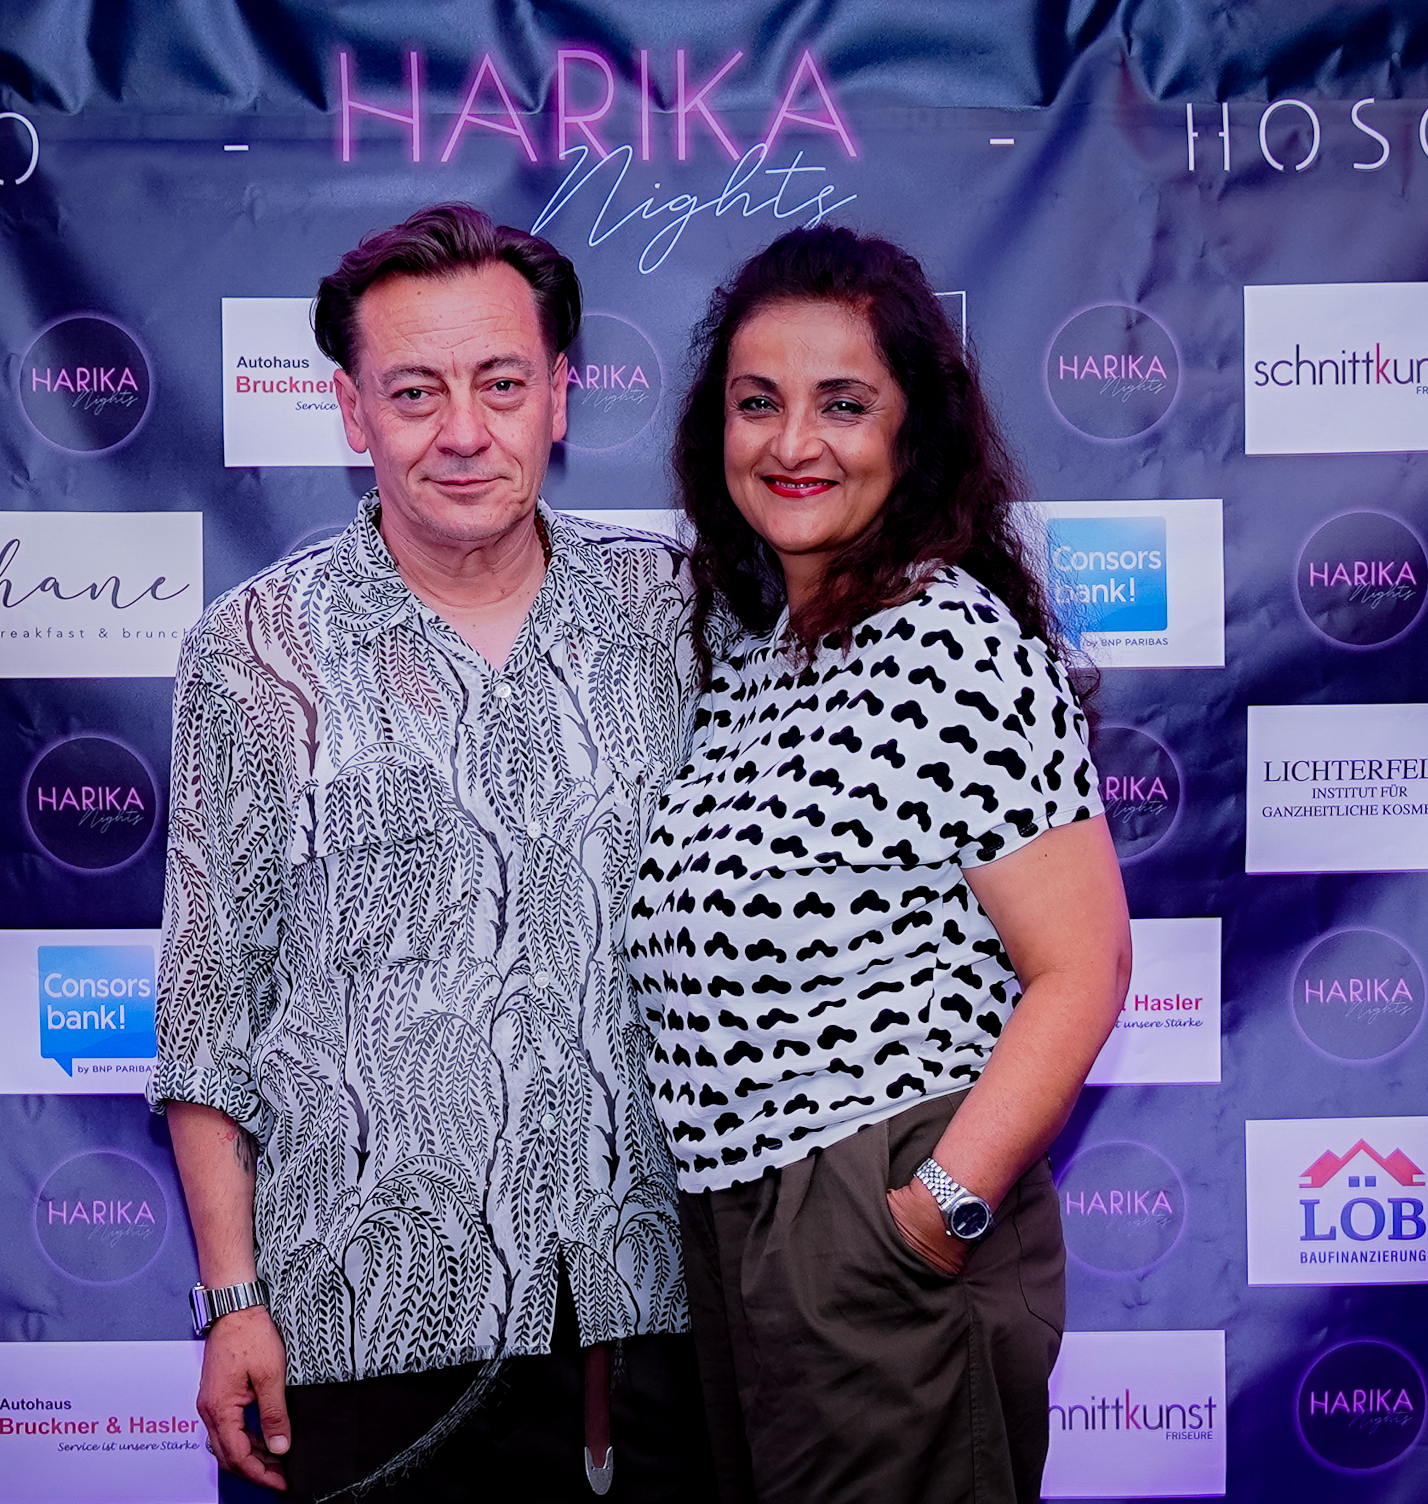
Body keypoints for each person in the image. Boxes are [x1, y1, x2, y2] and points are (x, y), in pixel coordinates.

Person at [150, 204, 712, 1501]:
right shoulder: (252, 653)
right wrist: (231, 1298)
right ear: (352, 411)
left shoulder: (681, 615)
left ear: (559, 394)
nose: (463, 431)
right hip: (358, 1336)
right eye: (415, 392)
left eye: (501, 384)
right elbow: (207, 1014)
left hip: (651, 1322)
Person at [625, 225, 1132, 1503]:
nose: (792, 442)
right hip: (735, 1230)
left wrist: (933, 1213)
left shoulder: (951, 643)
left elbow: (1082, 967)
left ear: (914, 431)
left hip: (877, 1213)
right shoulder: (750, 661)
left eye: (842, 404)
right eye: (757, 402)